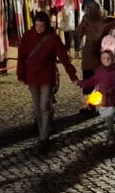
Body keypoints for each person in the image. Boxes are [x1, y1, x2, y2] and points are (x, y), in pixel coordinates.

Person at [17, 11, 78, 145]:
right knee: (37, 107)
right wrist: (21, 74)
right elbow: (21, 56)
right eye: (36, 25)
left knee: (44, 105)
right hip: (32, 76)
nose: (38, 28)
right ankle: (41, 130)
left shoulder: (53, 38)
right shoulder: (28, 36)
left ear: (46, 25)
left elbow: (64, 58)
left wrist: (72, 76)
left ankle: (43, 137)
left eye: (41, 25)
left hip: (46, 76)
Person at [77, 37, 115, 145]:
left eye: (108, 58)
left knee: (109, 119)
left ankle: (110, 138)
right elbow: (92, 80)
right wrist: (82, 83)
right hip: (103, 100)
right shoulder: (99, 71)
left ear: (112, 58)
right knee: (106, 119)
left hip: (113, 101)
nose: (106, 60)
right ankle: (110, 135)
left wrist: (112, 89)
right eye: (104, 58)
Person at [74, 0, 115, 113]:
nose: (88, 11)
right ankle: (90, 105)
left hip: (102, 53)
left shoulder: (106, 20)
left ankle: (108, 104)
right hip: (89, 54)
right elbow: (78, 33)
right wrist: (83, 25)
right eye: (86, 8)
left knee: (104, 79)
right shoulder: (86, 20)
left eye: (90, 8)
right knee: (89, 79)